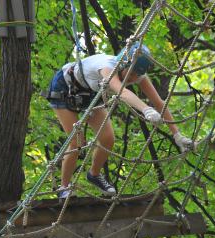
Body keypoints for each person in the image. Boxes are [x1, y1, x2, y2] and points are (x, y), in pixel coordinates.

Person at [44, 42, 194, 198]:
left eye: (137, 75)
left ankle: (94, 174)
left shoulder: (138, 74)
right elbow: (121, 92)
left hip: (92, 95)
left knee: (108, 139)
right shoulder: (108, 68)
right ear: (123, 64)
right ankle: (64, 188)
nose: (133, 79)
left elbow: (159, 102)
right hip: (65, 89)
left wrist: (177, 135)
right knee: (76, 142)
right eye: (131, 75)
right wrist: (146, 109)